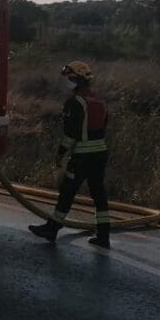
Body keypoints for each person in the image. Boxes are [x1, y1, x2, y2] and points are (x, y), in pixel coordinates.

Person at [29, 60, 111, 248]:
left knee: (67, 192)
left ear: (80, 80)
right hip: (100, 153)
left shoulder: (75, 102)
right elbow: (103, 126)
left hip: (82, 156)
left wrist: (61, 154)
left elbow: (71, 133)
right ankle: (104, 235)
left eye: (71, 78)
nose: (68, 81)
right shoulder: (100, 100)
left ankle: (52, 229)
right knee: (99, 194)